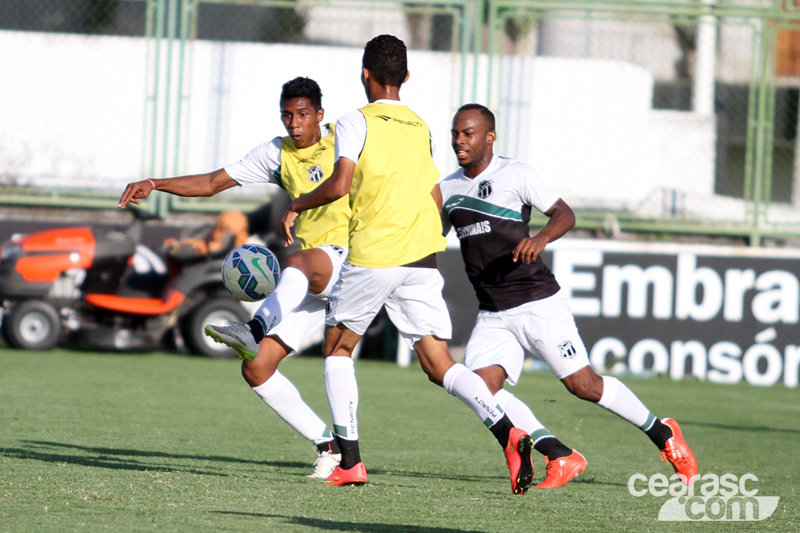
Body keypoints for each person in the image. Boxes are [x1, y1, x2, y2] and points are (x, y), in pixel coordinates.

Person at [279, 35, 535, 494]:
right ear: (406, 77)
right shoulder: (420, 125)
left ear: (364, 74)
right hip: (422, 253)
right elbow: (434, 190)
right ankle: (507, 430)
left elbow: (340, 183)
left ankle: (350, 462)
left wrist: (298, 203)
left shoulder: (354, 121)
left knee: (338, 350)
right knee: (439, 362)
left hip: (376, 252)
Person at [437, 103, 698, 486]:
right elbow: (426, 238)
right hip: (493, 312)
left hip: (537, 302)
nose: (460, 140)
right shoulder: (447, 190)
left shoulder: (515, 174)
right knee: (480, 392)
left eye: (469, 133)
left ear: (490, 136)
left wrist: (539, 238)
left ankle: (663, 433)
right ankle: (559, 455)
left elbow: (564, 213)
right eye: (456, 133)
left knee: (583, 385)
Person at [117, 76, 349, 479]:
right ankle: (328, 447)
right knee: (257, 368)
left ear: (320, 115)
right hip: (315, 277)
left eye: (303, 115)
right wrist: (155, 183)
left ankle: (253, 327)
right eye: (287, 115)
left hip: (353, 264)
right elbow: (211, 183)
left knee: (436, 364)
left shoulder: (345, 139)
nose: (294, 123)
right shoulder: (277, 154)